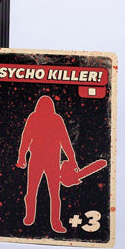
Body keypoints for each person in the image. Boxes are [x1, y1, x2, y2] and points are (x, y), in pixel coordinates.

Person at [16, 95, 78, 233]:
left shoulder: (56, 120)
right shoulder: (35, 118)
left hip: (51, 160)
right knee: (34, 191)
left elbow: (65, 141)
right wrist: (21, 156)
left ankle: (54, 222)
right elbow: (26, 138)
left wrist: (72, 160)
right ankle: (31, 217)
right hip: (38, 159)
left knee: (52, 193)